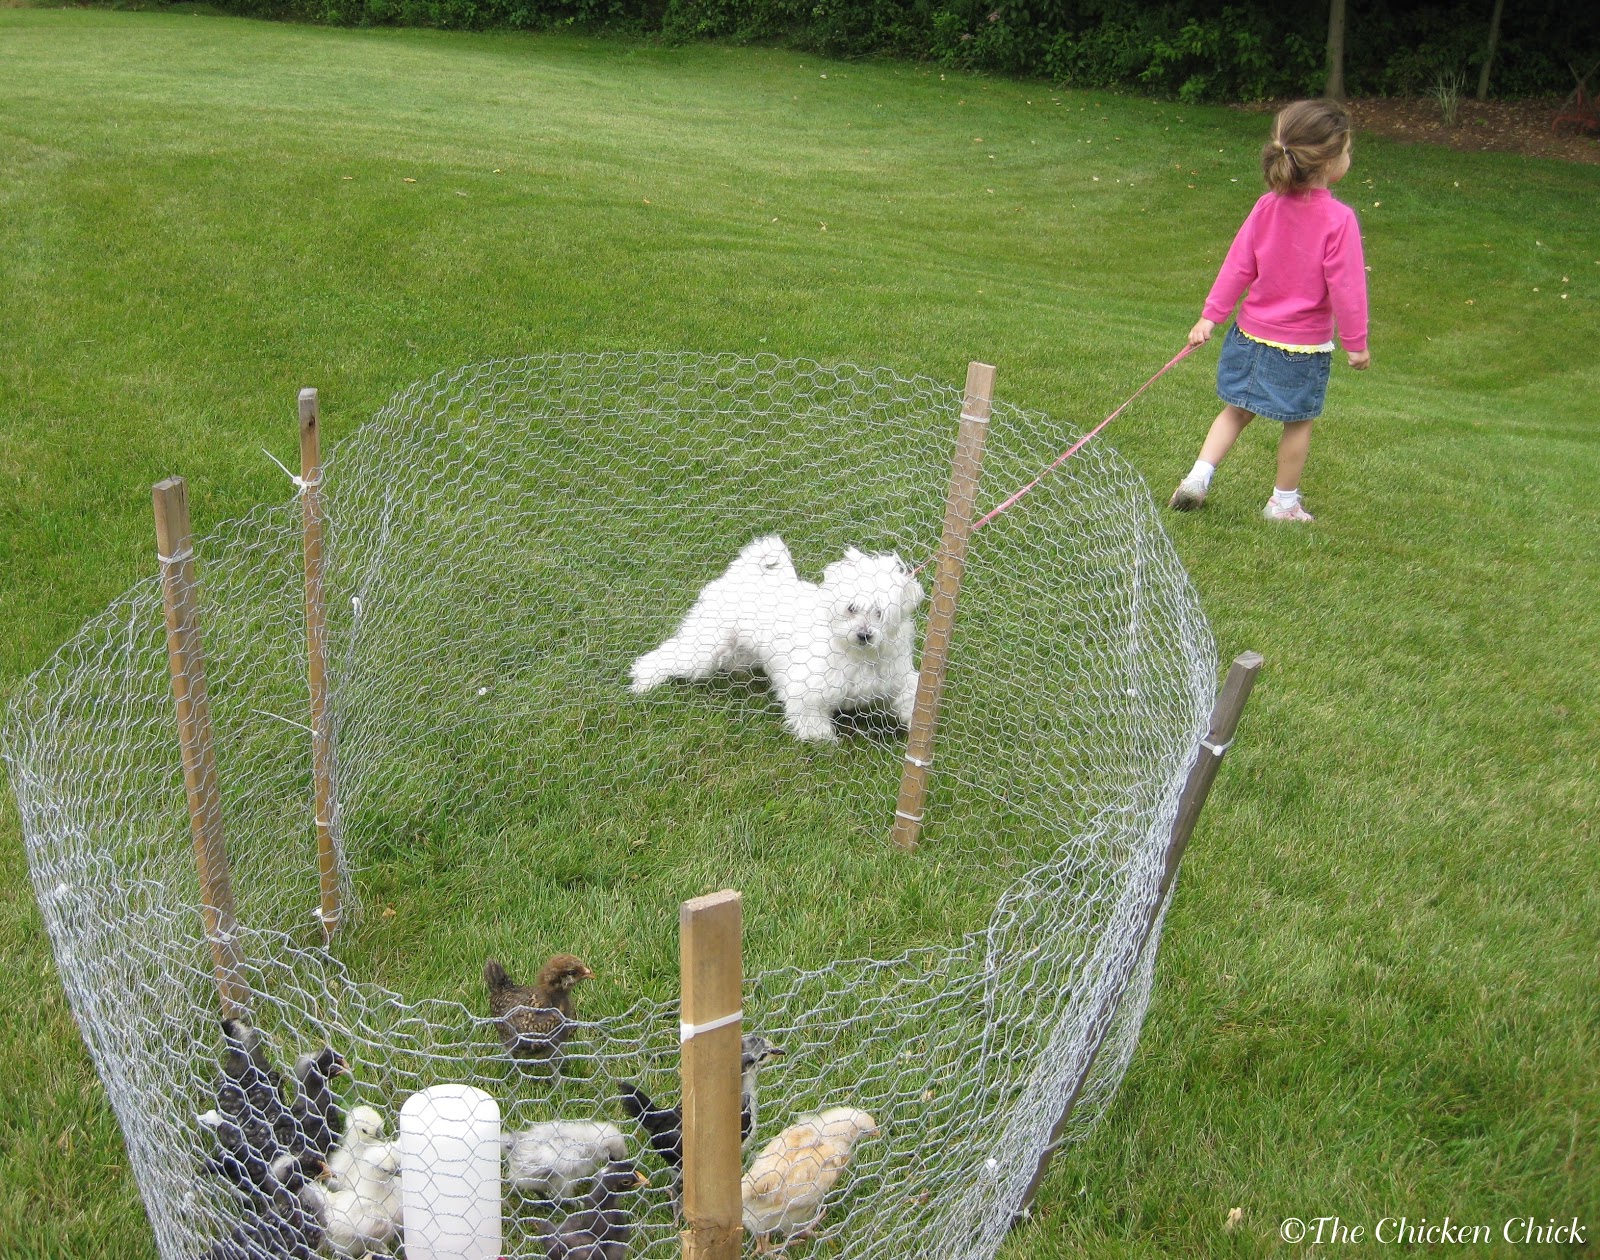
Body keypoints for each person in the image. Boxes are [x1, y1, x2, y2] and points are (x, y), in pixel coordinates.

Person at [1169, 99, 1370, 522]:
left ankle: (1197, 478)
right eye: (1348, 151)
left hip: (1249, 335)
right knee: (1298, 422)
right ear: (1330, 162)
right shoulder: (1339, 219)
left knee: (1237, 410)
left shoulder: (1267, 206)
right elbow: (1348, 289)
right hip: (1303, 348)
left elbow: (1237, 265)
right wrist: (1356, 344)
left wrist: (1211, 316)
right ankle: (1283, 503)